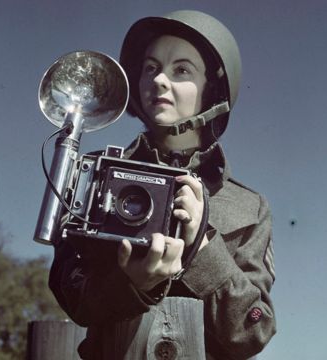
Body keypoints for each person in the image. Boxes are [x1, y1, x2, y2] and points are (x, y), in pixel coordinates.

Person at [49, 10, 276, 360]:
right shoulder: (96, 176)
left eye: (181, 69)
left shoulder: (248, 207)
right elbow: (73, 296)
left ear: (211, 89)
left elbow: (251, 331)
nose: (159, 80)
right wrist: (133, 286)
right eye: (151, 68)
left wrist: (202, 246)